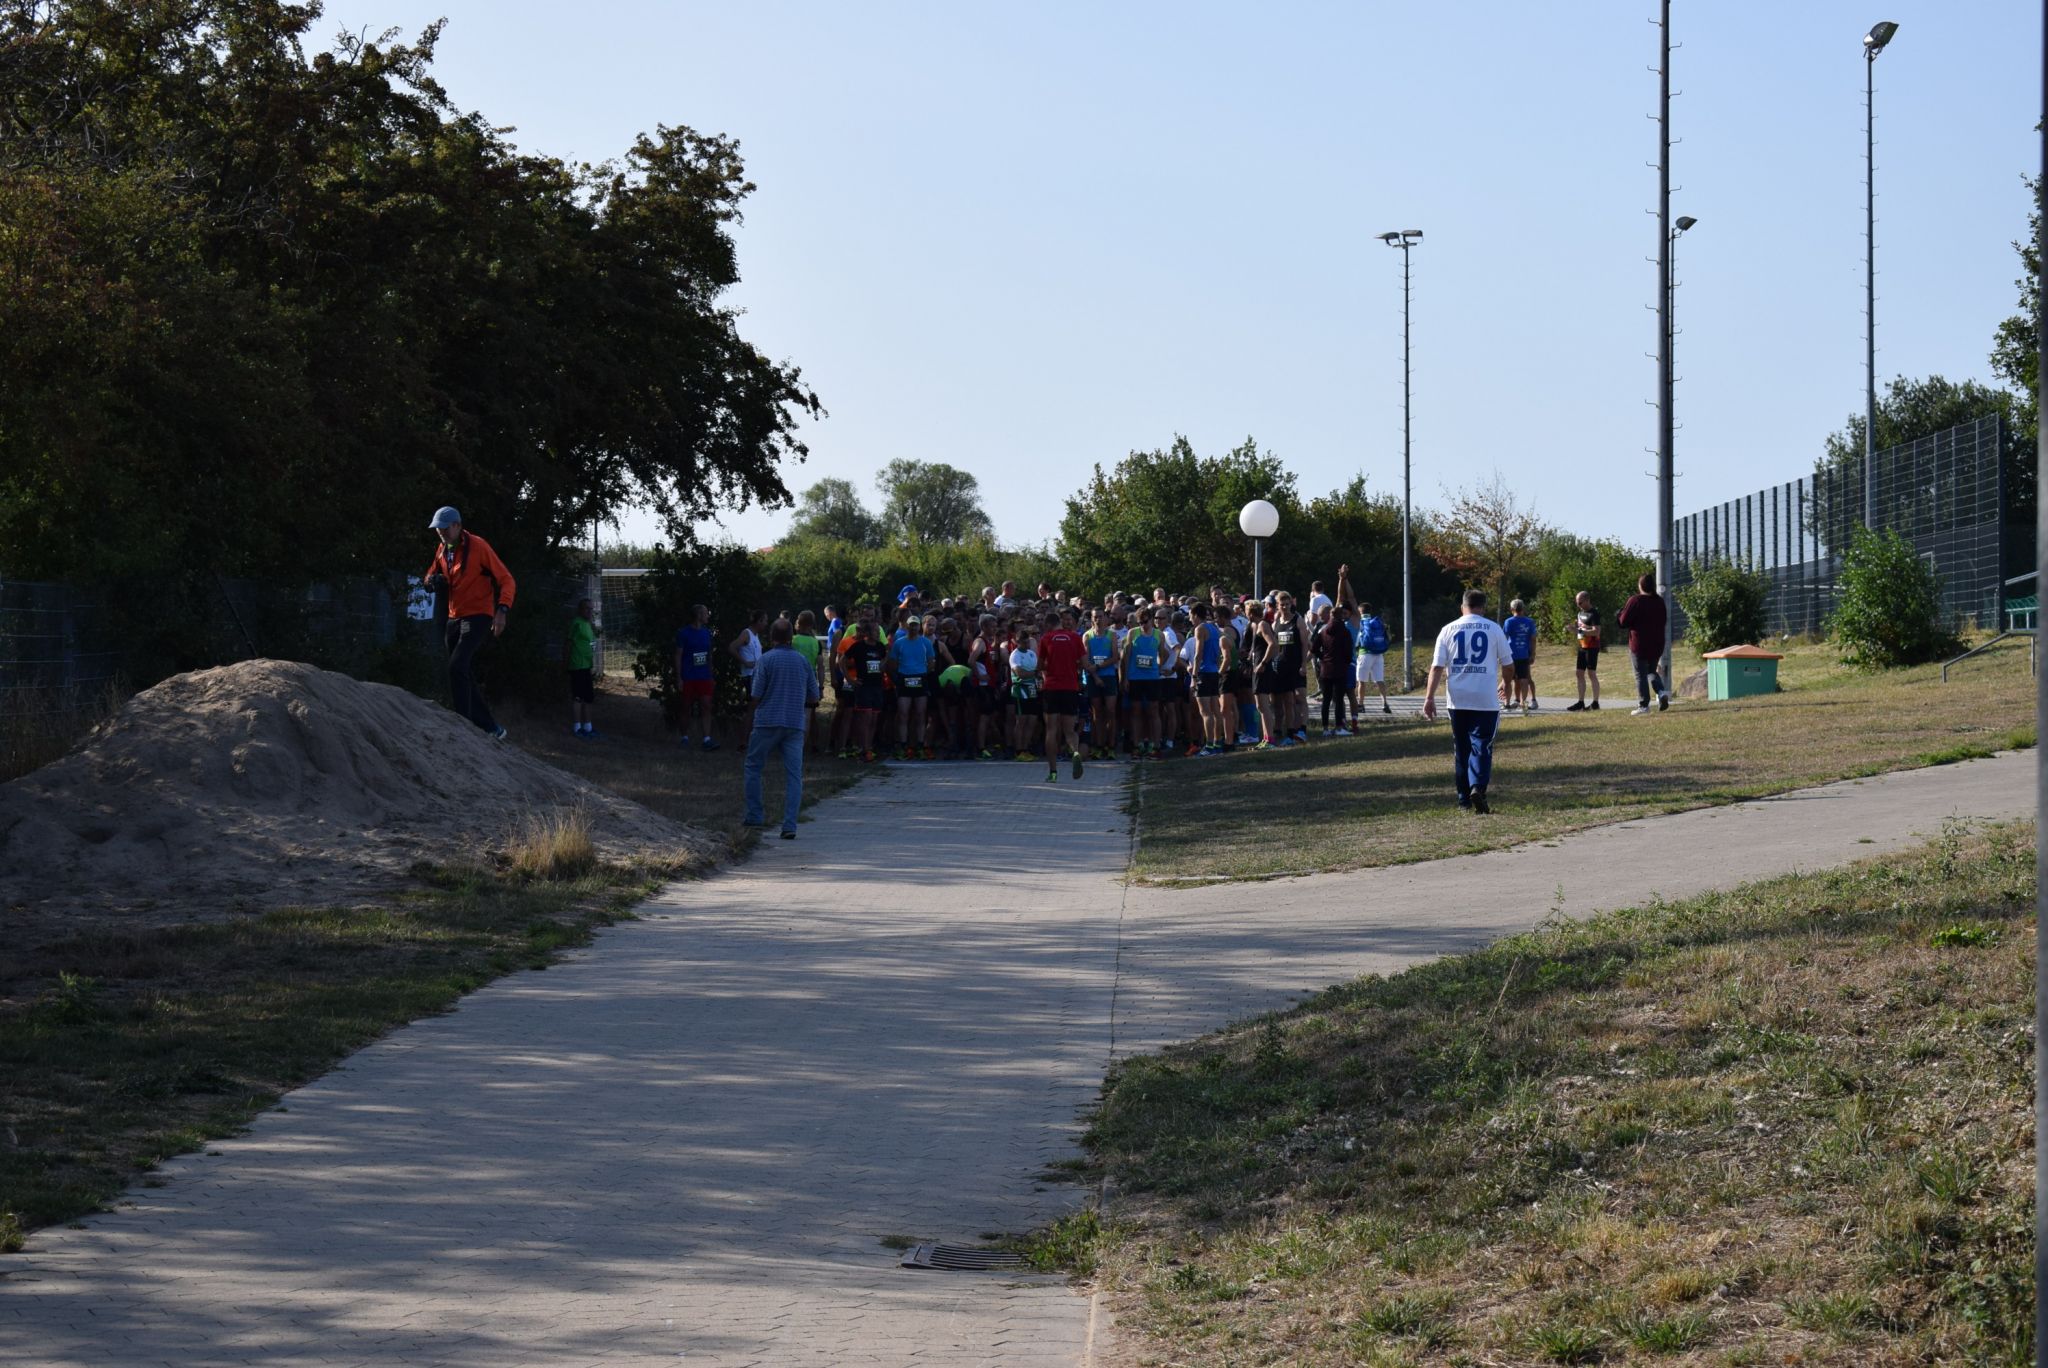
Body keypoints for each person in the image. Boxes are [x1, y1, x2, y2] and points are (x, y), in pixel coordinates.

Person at [1421, 589, 1517, 813]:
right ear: (1483, 607)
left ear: (1462, 606)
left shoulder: (1447, 630)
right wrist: (1506, 683)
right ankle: (1478, 788)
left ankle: (1463, 799)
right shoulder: (1493, 628)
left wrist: (1429, 697)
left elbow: (1436, 667)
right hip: (1485, 699)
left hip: (1457, 699)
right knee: (1482, 745)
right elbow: (1509, 664)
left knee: (1461, 749)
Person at [424, 506, 516, 739]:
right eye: (437, 529)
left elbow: (507, 580)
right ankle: (492, 728)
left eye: (444, 528)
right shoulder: (442, 549)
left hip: (478, 615)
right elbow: (429, 576)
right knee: (462, 671)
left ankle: (462, 725)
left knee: (456, 666)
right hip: (453, 617)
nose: (440, 533)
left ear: (457, 525)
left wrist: (502, 610)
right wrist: (432, 582)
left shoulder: (479, 547)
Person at [743, 620, 820, 840]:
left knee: (753, 766)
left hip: (767, 721)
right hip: (794, 723)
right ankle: (789, 825)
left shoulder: (766, 660)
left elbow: (756, 694)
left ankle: (755, 815)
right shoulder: (802, 661)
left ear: (772, 637)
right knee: (794, 775)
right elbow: (814, 695)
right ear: (791, 637)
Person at [1037, 608, 1087, 780]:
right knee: (1070, 731)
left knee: (1051, 730)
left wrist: (1050, 665)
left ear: (1048, 624)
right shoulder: (1075, 638)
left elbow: (1039, 666)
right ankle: (1075, 752)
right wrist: (1073, 665)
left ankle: (1053, 772)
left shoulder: (1046, 638)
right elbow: (1084, 663)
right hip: (1070, 688)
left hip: (1051, 688)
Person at [1617, 573, 1673, 715]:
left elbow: (1623, 621)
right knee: (1651, 671)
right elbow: (1664, 620)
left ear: (1641, 586)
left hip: (1639, 644)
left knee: (1640, 674)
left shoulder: (1635, 600)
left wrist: (1619, 614)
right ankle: (1661, 692)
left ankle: (1644, 705)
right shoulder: (1659, 601)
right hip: (1657, 643)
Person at [887, 614, 937, 760]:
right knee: (903, 714)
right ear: (907, 626)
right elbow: (892, 663)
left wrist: (922, 672)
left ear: (919, 626)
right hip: (904, 679)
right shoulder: (899, 643)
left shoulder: (925, 642)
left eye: (916, 625)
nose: (913, 628)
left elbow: (931, 662)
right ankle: (903, 746)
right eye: (911, 625)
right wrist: (899, 677)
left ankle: (920, 746)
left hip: (920, 678)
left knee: (921, 714)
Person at [839, 620, 888, 762]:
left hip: (877, 686)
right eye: (875, 631)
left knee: (874, 718)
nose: (878, 634)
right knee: (865, 717)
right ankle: (863, 749)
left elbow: (885, 659)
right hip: (863, 687)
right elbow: (842, 661)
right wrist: (850, 679)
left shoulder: (880, 647)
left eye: (879, 631)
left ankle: (868, 748)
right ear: (867, 633)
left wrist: (883, 664)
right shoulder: (858, 646)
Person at [673, 604, 718, 750]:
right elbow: (678, 655)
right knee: (686, 707)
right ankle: (684, 737)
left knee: (706, 705)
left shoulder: (707, 632)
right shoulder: (683, 633)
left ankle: (707, 739)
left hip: (704, 676)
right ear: (699, 615)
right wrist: (679, 678)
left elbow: (709, 655)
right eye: (706, 613)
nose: (708, 616)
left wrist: (711, 675)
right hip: (688, 676)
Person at [1084, 609, 1122, 761]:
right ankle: (1099, 746)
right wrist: (1095, 676)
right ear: (1092, 619)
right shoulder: (1087, 636)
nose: (1098, 620)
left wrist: (1099, 667)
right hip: (1093, 678)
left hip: (1109, 676)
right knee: (1097, 713)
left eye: (1100, 616)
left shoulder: (1111, 635)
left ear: (1106, 618)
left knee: (1111, 712)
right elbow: (1086, 660)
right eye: (1095, 617)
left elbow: (1115, 657)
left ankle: (1111, 746)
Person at [1315, 603, 1353, 735]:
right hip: (1340, 669)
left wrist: (1323, 657)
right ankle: (1338, 727)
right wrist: (1345, 662)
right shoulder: (1345, 631)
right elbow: (1349, 652)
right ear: (1341, 616)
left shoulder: (1324, 631)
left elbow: (1314, 648)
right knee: (1338, 699)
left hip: (1325, 669)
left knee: (1326, 700)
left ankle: (1325, 729)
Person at [792, 609, 825, 752]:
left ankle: (790, 745)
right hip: (810, 680)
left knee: (792, 713)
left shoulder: (792, 640)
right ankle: (801, 747)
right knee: (808, 715)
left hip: (793, 679)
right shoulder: (816, 643)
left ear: (798, 623)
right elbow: (821, 667)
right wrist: (821, 687)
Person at [568, 597, 600, 738]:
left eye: (591, 609)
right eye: (587, 608)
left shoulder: (588, 625)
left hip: (586, 665)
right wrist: (565, 663)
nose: (589, 611)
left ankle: (588, 727)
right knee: (578, 697)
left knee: (588, 697)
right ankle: (577, 727)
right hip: (577, 665)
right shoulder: (576, 623)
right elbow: (568, 643)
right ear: (580, 610)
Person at [1353, 600, 1393, 716]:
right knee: (1380, 680)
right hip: (1379, 654)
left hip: (1365, 654)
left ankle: (1361, 705)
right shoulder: (1377, 622)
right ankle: (1385, 704)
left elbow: (1357, 641)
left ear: (1360, 611)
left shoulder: (1361, 622)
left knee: (1362, 681)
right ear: (1370, 611)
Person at [1568, 590, 1603, 712]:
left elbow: (1596, 631)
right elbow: (1580, 629)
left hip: (1592, 647)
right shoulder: (1580, 613)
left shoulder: (1594, 614)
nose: (1578, 605)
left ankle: (1595, 703)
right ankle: (1580, 702)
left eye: (1580, 603)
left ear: (1587, 600)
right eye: (1577, 603)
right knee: (1579, 673)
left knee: (1591, 674)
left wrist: (1579, 631)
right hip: (1582, 646)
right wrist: (1574, 629)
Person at [1503, 598, 1538, 714]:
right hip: (1524, 654)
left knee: (1509, 680)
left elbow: (1504, 638)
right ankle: (1522, 702)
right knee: (1524, 679)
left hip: (1511, 654)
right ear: (1523, 608)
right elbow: (1533, 639)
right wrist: (1532, 654)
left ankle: (1508, 703)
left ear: (1512, 609)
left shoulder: (1509, 621)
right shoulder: (1529, 622)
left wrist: (1501, 654)